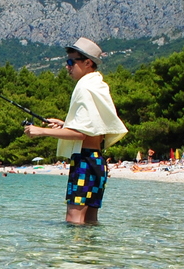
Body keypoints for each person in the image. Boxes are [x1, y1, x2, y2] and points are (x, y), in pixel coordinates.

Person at [24, 38, 127, 225]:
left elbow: (81, 134)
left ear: (87, 63)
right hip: (97, 161)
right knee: (90, 220)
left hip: (84, 162)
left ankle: (74, 254)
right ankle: (90, 254)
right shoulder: (98, 85)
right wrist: (65, 125)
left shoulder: (85, 87)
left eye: (71, 62)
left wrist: (41, 131)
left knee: (74, 219)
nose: (67, 66)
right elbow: (93, 128)